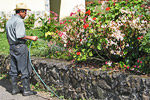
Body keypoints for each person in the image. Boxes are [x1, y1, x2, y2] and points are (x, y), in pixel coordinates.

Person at [6, 3, 38, 96]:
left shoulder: (9, 21)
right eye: (25, 12)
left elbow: (8, 37)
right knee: (25, 69)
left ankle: (14, 89)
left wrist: (12, 45)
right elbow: (20, 36)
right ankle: (27, 90)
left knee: (13, 69)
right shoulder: (19, 21)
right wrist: (32, 37)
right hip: (20, 47)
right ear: (21, 11)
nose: (26, 14)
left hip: (12, 47)